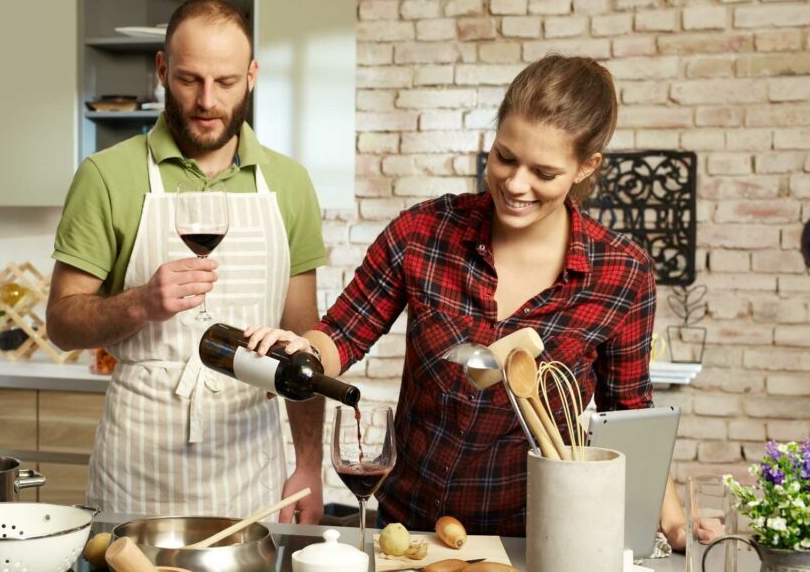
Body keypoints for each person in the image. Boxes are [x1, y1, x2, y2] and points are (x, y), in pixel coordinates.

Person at [247, 54, 692, 547]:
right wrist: (301, 354)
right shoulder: (423, 232)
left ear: (586, 167)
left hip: (538, 537)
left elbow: (629, 418)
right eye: (504, 157)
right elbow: (341, 333)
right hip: (407, 531)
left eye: (543, 172)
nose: (515, 184)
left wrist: (671, 519)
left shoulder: (622, 272)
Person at [46, 0, 327, 524]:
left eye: (225, 82)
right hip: (137, 464)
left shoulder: (289, 185)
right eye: (188, 79)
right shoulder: (107, 176)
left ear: (251, 76)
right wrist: (140, 304)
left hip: (251, 464)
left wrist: (308, 465)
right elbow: (61, 322)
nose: (206, 101)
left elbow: (301, 339)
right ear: (161, 71)